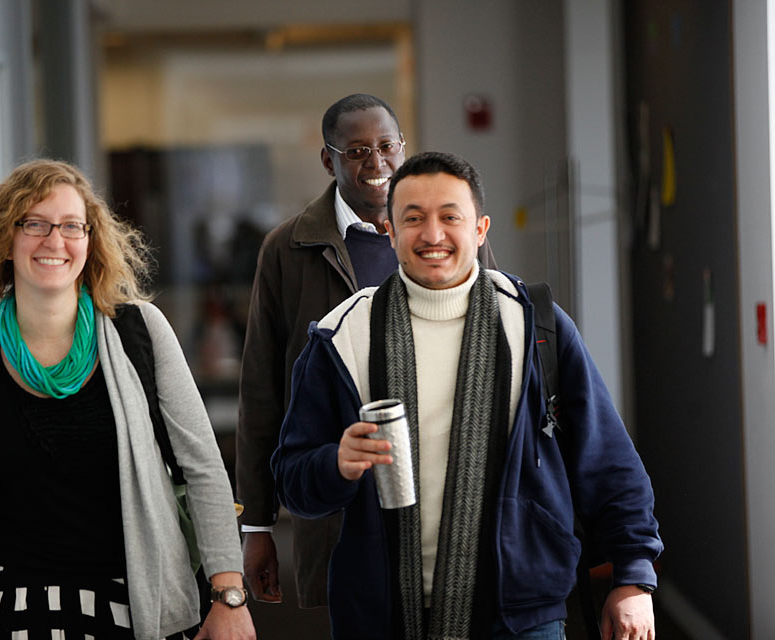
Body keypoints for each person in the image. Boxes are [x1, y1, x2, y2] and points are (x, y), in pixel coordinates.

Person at [271, 152, 662, 639]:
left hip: (522, 612)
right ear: (390, 233)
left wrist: (633, 578)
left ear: (480, 229)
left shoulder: (533, 323)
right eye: (413, 219)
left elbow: (606, 460)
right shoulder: (343, 335)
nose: (432, 235)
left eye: (449, 217)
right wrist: (337, 463)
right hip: (382, 616)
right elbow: (292, 480)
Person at [0, 160, 256, 640]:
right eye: (34, 223)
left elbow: (203, 467)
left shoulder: (142, 332)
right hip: (12, 608)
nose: (55, 241)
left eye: (72, 226)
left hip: (134, 603)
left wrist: (229, 594)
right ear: (4, 240)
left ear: (91, 240)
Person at [235, 95, 496, 610]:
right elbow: (263, 395)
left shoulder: (450, 236)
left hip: (450, 491)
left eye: (386, 146)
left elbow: (490, 347)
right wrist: (258, 523)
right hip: (344, 501)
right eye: (356, 152)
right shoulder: (289, 249)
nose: (376, 163)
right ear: (329, 161)